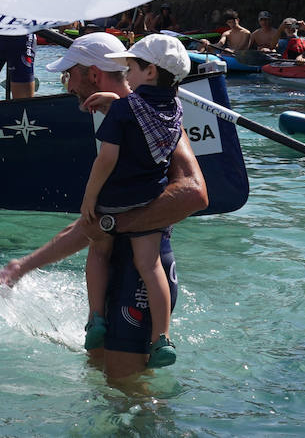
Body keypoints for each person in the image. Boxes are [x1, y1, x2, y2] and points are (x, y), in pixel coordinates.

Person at [0, 32, 208, 382]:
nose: (66, 85)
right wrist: (21, 268)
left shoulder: (153, 120)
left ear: (92, 73)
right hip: (117, 270)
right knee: (102, 381)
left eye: (67, 75)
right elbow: (92, 223)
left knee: (129, 391)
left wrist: (112, 225)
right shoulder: (123, 111)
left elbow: (194, 194)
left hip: (140, 274)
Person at [79, 35, 191, 369]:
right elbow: (143, 112)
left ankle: (97, 319)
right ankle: (162, 339)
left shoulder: (124, 111)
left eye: (130, 68)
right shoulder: (175, 109)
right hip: (150, 203)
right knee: (150, 266)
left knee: (98, 251)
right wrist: (117, 101)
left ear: (151, 71)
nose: (126, 74)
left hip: (115, 201)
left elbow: (107, 159)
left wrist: (90, 196)